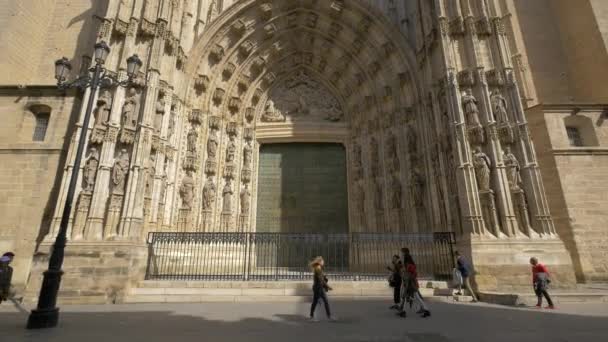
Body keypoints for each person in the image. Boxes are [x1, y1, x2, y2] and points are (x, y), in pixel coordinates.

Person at [397, 249, 431, 318]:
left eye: (402, 254)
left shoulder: (409, 265)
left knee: (413, 297)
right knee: (413, 298)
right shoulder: (408, 265)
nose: (401, 255)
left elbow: (411, 275)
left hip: (410, 284)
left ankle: (426, 310)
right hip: (410, 284)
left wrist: (406, 278)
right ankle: (425, 310)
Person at [309, 256, 336, 322]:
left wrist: (324, 277)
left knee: (315, 302)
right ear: (320, 262)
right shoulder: (318, 269)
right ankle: (329, 316)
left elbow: (321, 278)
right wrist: (328, 287)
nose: (324, 262)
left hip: (317, 287)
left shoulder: (318, 268)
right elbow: (321, 280)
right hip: (319, 288)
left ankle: (311, 316)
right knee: (325, 301)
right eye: (323, 261)